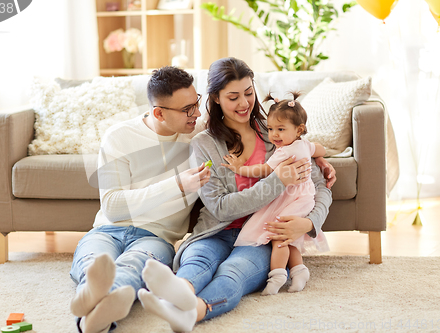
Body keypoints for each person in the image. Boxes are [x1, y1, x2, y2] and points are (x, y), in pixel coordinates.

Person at [137, 57, 336, 332]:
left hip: (262, 236)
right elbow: (219, 208)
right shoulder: (203, 144)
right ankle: (176, 296)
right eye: (233, 97)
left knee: (234, 274)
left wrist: (310, 223)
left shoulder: (277, 133)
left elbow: (320, 187)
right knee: (199, 261)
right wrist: (276, 181)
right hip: (215, 231)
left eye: (249, 93)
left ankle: (195, 311)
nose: (244, 103)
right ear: (216, 98)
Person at [68, 66, 212, 333]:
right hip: (108, 230)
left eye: (197, 103)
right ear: (158, 112)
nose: (198, 114)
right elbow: (112, 206)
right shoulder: (120, 137)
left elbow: (259, 128)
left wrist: (312, 151)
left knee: (134, 266)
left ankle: (88, 318)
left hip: (155, 237)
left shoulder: (202, 135)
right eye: (187, 109)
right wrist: (177, 185)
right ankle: (100, 300)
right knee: (95, 261)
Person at [222, 92, 330, 296]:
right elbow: (321, 148)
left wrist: (239, 168)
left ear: (299, 130)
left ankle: (278, 275)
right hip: (304, 196)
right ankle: (299, 271)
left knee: (278, 233)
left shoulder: (284, 152)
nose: (274, 135)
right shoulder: (304, 144)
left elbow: (262, 170)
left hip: (294, 196)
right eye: (271, 129)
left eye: (281, 129)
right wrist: (319, 157)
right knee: (289, 235)